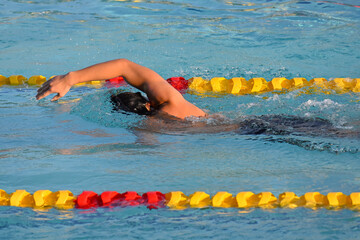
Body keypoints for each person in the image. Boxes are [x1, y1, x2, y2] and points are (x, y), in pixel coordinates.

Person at [36, 59, 206, 119]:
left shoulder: (151, 124)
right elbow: (124, 66)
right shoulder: (168, 99)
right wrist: (70, 78)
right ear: (148, 103)